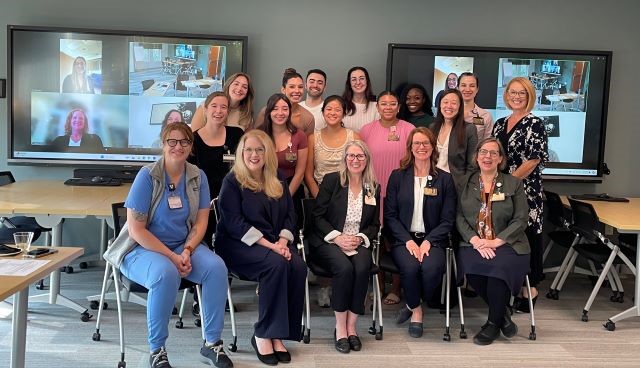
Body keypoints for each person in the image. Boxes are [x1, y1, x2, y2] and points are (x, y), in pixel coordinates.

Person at [117, 122, 232, 368]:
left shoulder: (197, 176)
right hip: (141, 249)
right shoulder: (147, 176)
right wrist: (172, 256)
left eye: (184, 142)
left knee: (216, 268)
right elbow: (136, 230)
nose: (177, 147)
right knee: (165, 273)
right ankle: (157, 349)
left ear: (191, 146)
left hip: (183, 246)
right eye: (172, 141)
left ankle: (212, 343)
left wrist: (188, 250)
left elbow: (201, 222)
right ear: (163, 143)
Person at [215, 130, 306, 366]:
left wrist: (283, 242)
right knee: (275, 264)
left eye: (259, 149)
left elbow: (289, 214)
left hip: (276, 242)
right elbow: (234, 223)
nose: (254, 155)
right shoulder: (233, 181)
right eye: (249, 150)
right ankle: (263, 334)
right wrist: (272, 246)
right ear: (241, 153)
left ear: (267, 153)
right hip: (238, 244)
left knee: (297, 265)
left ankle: (278, 334)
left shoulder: (277, 176)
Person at [383, 127, 457, 338]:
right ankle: (416, 311)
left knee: (432, 270)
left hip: (433, 240)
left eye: (426, 143)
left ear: (433, 147)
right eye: (417, 143)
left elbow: (447, 219)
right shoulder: (398, 177)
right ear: (410, 147)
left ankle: (411, 303)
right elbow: (390, 215)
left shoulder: (444, 179)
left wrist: (429, 241)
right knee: (411, 268)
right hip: (403, 240)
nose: (421, 147)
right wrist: (407, 241)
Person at [456, 137, 530, 345]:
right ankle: (503, 316)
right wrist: (475, 240)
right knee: (474, 271)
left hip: (508, 243)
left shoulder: (513, 183)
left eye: (493, 153)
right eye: (483, 152)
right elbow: (458, 216)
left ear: (500, 159)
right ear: (476, 156)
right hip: (473, 243)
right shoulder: (465, 182)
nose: (487, 157)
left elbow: (521, 219)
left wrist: (497, 241)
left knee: (499, 270)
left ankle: (492, 324)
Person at [309, 140, 380, 354]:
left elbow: (375, 224)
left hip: (357, 241)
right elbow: (317, 216)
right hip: (329, 240)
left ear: (367, 160)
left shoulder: (373, 187)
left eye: (360, 156)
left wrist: (359, 238)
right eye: (351, 156)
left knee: (361, 267)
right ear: (345, 159)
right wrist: (338, 237)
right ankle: (340, 328)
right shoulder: (332, 181)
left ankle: (352, 327)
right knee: (344, 268)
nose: (355, 160)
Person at [492, 77, 548, 312]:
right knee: (506, 236)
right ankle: (509, 285)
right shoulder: (500, 123)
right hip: (501, 190)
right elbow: (494, 155)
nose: (516, 96)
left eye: (521, 93)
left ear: (529, 96)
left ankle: (530, 288)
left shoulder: (535, 123)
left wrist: (510, 183)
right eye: (512, 92)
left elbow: (533, 160)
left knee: (528, 237)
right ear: (506, 95)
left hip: (525, 191)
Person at [360, 91, 415, 305]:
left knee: (398, 240)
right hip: (372, 191)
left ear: (399, 107)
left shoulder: (408, 129)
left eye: (393, 103)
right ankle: (378, 284)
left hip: (400, 193)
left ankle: (396, 288)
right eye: (384, 103)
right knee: (377, 240)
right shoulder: (366, 130)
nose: (388, 107)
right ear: (378, 107)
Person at [188, 92, 243, 247]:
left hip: (233, 204)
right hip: (203, 207)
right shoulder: (192, 140)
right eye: (214, 106)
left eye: (223, 107)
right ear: (205, 110)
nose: (218, 111)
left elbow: (245, 169)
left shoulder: (237, 134)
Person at [261, 93, 308, 231]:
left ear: (289, 111)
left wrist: (285, 197)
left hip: (291, 189)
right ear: (269, 111)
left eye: (285, 108)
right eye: (275, 109)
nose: (280, 113)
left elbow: (300, 173)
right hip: (263, 188)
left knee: (288, 232)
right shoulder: (259, 134)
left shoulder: (299, 136)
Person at [305, 95, 360, 198]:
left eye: (338, 110)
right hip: (320, 193)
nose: (333, 113)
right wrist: (320, 198)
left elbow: (361, 170)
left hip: (348, 194)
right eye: (329, 109)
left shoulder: (354, 137)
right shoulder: (312, 138)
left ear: (344, 114)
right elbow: (308, 175)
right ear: (323, 112)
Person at [429, 89, 478, 190]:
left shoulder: (469, 129)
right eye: (445, 102)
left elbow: (472, 164)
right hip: (432, 183)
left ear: (460, 106)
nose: (449, 106)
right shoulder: (432, 127)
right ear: (440, 105)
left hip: (456, 186)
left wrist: (463, 184)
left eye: (454, 103)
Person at [255, 68, 315, 135]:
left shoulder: (308, 118)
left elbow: (307, 144)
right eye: (292, 87)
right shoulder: (266, 111)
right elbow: (254, 137)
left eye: (300, 87)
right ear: (283, 90)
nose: (297, 91)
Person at [191, 72, 255, 131]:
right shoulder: (208, 105)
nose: (239, 89)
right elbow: (194, 135)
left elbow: (248, 141)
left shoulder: (247, 114)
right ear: (228, 85)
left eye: (244, 87)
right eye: (236, 84)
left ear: (247, 92)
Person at [341, 66, 380, 132]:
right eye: (354, 79)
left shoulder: (376, 107)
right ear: (349, 84)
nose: (358, 82)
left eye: (361, 78)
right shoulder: (341, 105)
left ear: (367, 81)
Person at [458, 72, 494, 140]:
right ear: (458, 88)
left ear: (477, 89)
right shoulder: (450, 113)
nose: (467, 89)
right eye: (463, 85)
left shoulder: (485, 116)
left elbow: (487, 143)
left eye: (472, 86)